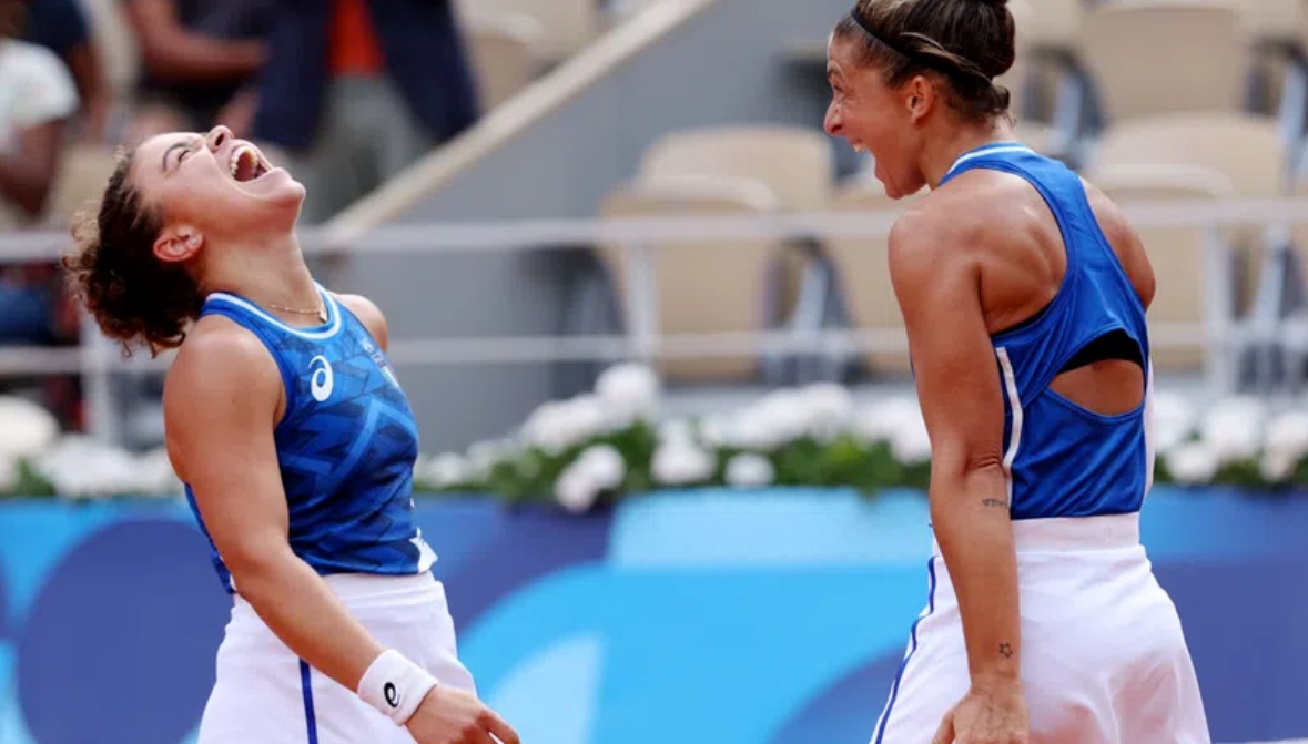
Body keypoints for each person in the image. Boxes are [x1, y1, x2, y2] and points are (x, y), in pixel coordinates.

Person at [822, 2, 1211, 743]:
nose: (833, 121)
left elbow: (974, 468)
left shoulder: (940, 231)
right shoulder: (1106, 220)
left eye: (843, 89)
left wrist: (996, 685)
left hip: (1029, 634)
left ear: (916, 97)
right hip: (1141, 624)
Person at [62, 124, 519, 744]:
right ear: (178, 240)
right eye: (184, 156)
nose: (218, 134)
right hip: (308, 691)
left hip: (405, 653)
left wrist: (420, 684)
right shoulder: (223, 358)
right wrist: (408, 696)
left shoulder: (360, 320)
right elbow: (260, 565)